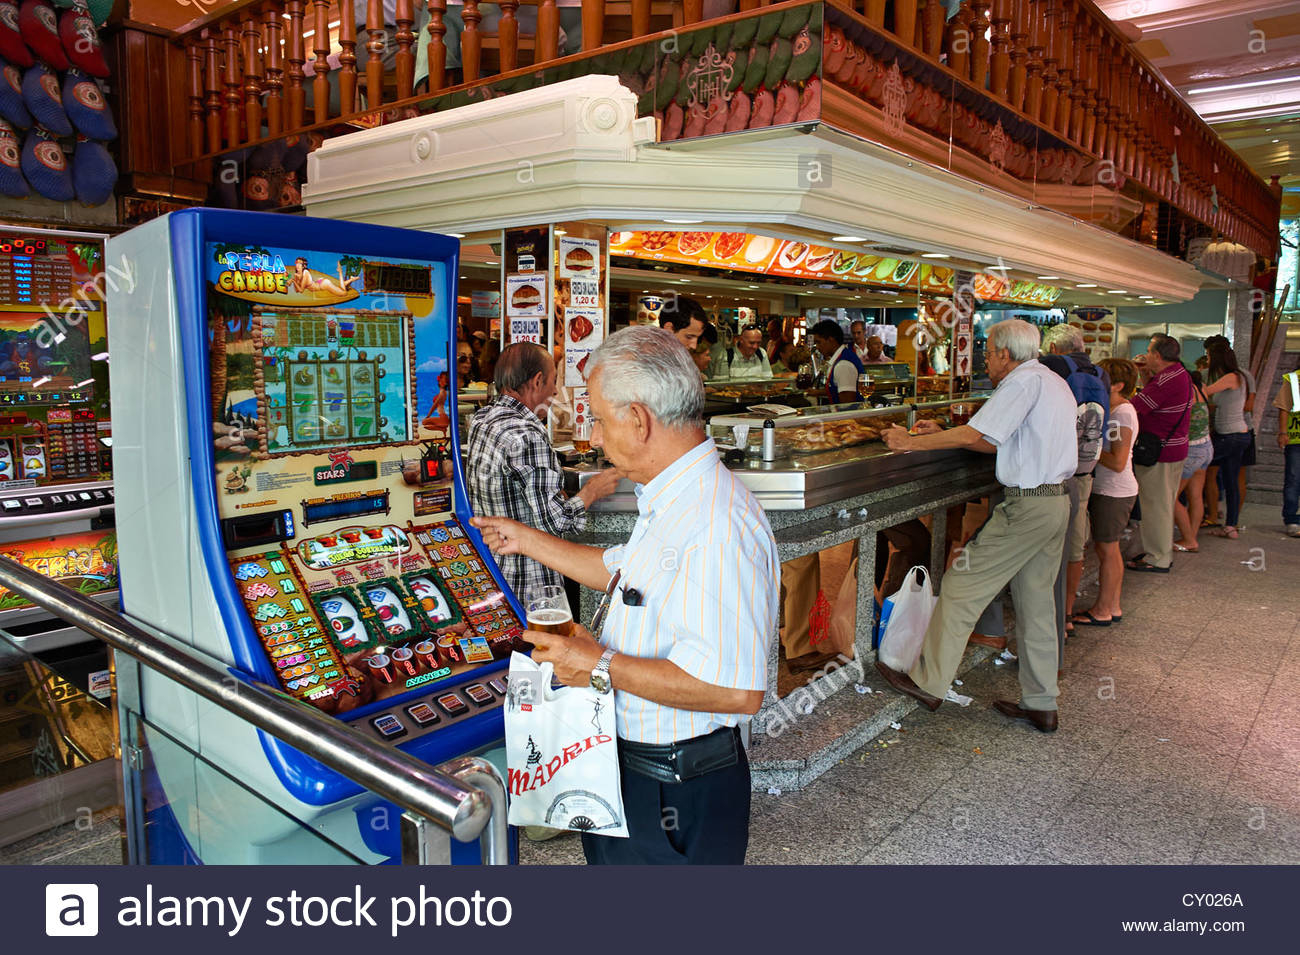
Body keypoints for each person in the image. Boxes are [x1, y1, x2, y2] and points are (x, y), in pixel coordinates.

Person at [472, 326, 780, 864]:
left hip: (677, 786)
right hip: (636, 769)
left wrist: (596, 663)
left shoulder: (715, 523)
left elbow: (735, 690)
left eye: (596, 417)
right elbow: (621, 570)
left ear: (638, 419)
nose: (591, 437)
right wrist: (524, 539)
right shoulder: (673, 497)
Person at [876, 319, 1076, 732]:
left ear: (1006, 353)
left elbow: (974, 437)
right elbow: (990, 438)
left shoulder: (1020, 382)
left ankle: (928, 683)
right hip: (1056, 502)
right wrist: (946, 431)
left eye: (989, 352)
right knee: (1037, 603)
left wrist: (909, 442)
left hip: (1027, 507)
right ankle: (1041, 702)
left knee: (962, 586)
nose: (987, 358)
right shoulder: (1052, 380)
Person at [466, 343, 621, 599]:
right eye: (554, 382)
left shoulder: (482, 419)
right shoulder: (526, 433)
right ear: (538, 381)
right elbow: (556, 523)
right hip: (531, 581)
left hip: (495, 569)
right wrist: (591, 492)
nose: (555, 391)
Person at [1039, 323, 1109, 638]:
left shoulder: (1053, 366)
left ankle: (1045, 613)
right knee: (1076, 547)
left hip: (1053, 474)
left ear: (1053, 348)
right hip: (1085, 473)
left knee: (1048, 545)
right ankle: (1066, 614)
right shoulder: (1100, 374)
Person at [1073, 358, 1139, 627]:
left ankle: (1104, 608)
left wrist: (1088, 446)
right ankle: (1112, 605)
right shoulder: (1113, 410)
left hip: (1114, 491)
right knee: (1106, 548)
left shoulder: (1123, 413)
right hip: (1109, 489)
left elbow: (1118, 461)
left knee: (1108, 549)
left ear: (1119, 385)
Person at [1127, 334, 1192, 573]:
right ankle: (1159, 550)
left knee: (1157, 506)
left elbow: (1136, 407)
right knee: (1163, 503)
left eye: (1148, 351)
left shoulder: (1166, 380)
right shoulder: (1179, 373)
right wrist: (1145, 374)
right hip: (1175, 448)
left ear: (1156, 354)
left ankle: (1158, 557)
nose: (1146, 355)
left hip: (1161, 452)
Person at [1201, 340, 1252, 539]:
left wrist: (1196, 382)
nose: (1207, 359)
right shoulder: (1232, 377)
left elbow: (1206, 392)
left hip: (1231, 436)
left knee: (1197, 466)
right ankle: (1231, 526)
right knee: (1230, 481)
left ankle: (1195, 514)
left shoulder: (1233, 377)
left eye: (1208, 356)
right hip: (1236, 435)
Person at [1172, 368, 1212, 553]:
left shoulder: (1187, 392)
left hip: (1192, 450)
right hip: (1206, 446)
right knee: (1195, 496)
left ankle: (1188, 538)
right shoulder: (1201, 388)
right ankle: (1192, 536)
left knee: (1170, 498)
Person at [1274, 356, 1300, 537]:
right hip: (1295, 438)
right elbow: (1283, 407)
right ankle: (1291, 519)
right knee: (1293, 479)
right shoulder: (1293, 379)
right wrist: (1283, 433)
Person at [809, 319, 864, 403]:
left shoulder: (843, 365)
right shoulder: (841, 357)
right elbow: (839, 390)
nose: (817, 347)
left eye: (819, 342)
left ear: (831, 340)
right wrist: (817, 392)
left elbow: (847, 404)